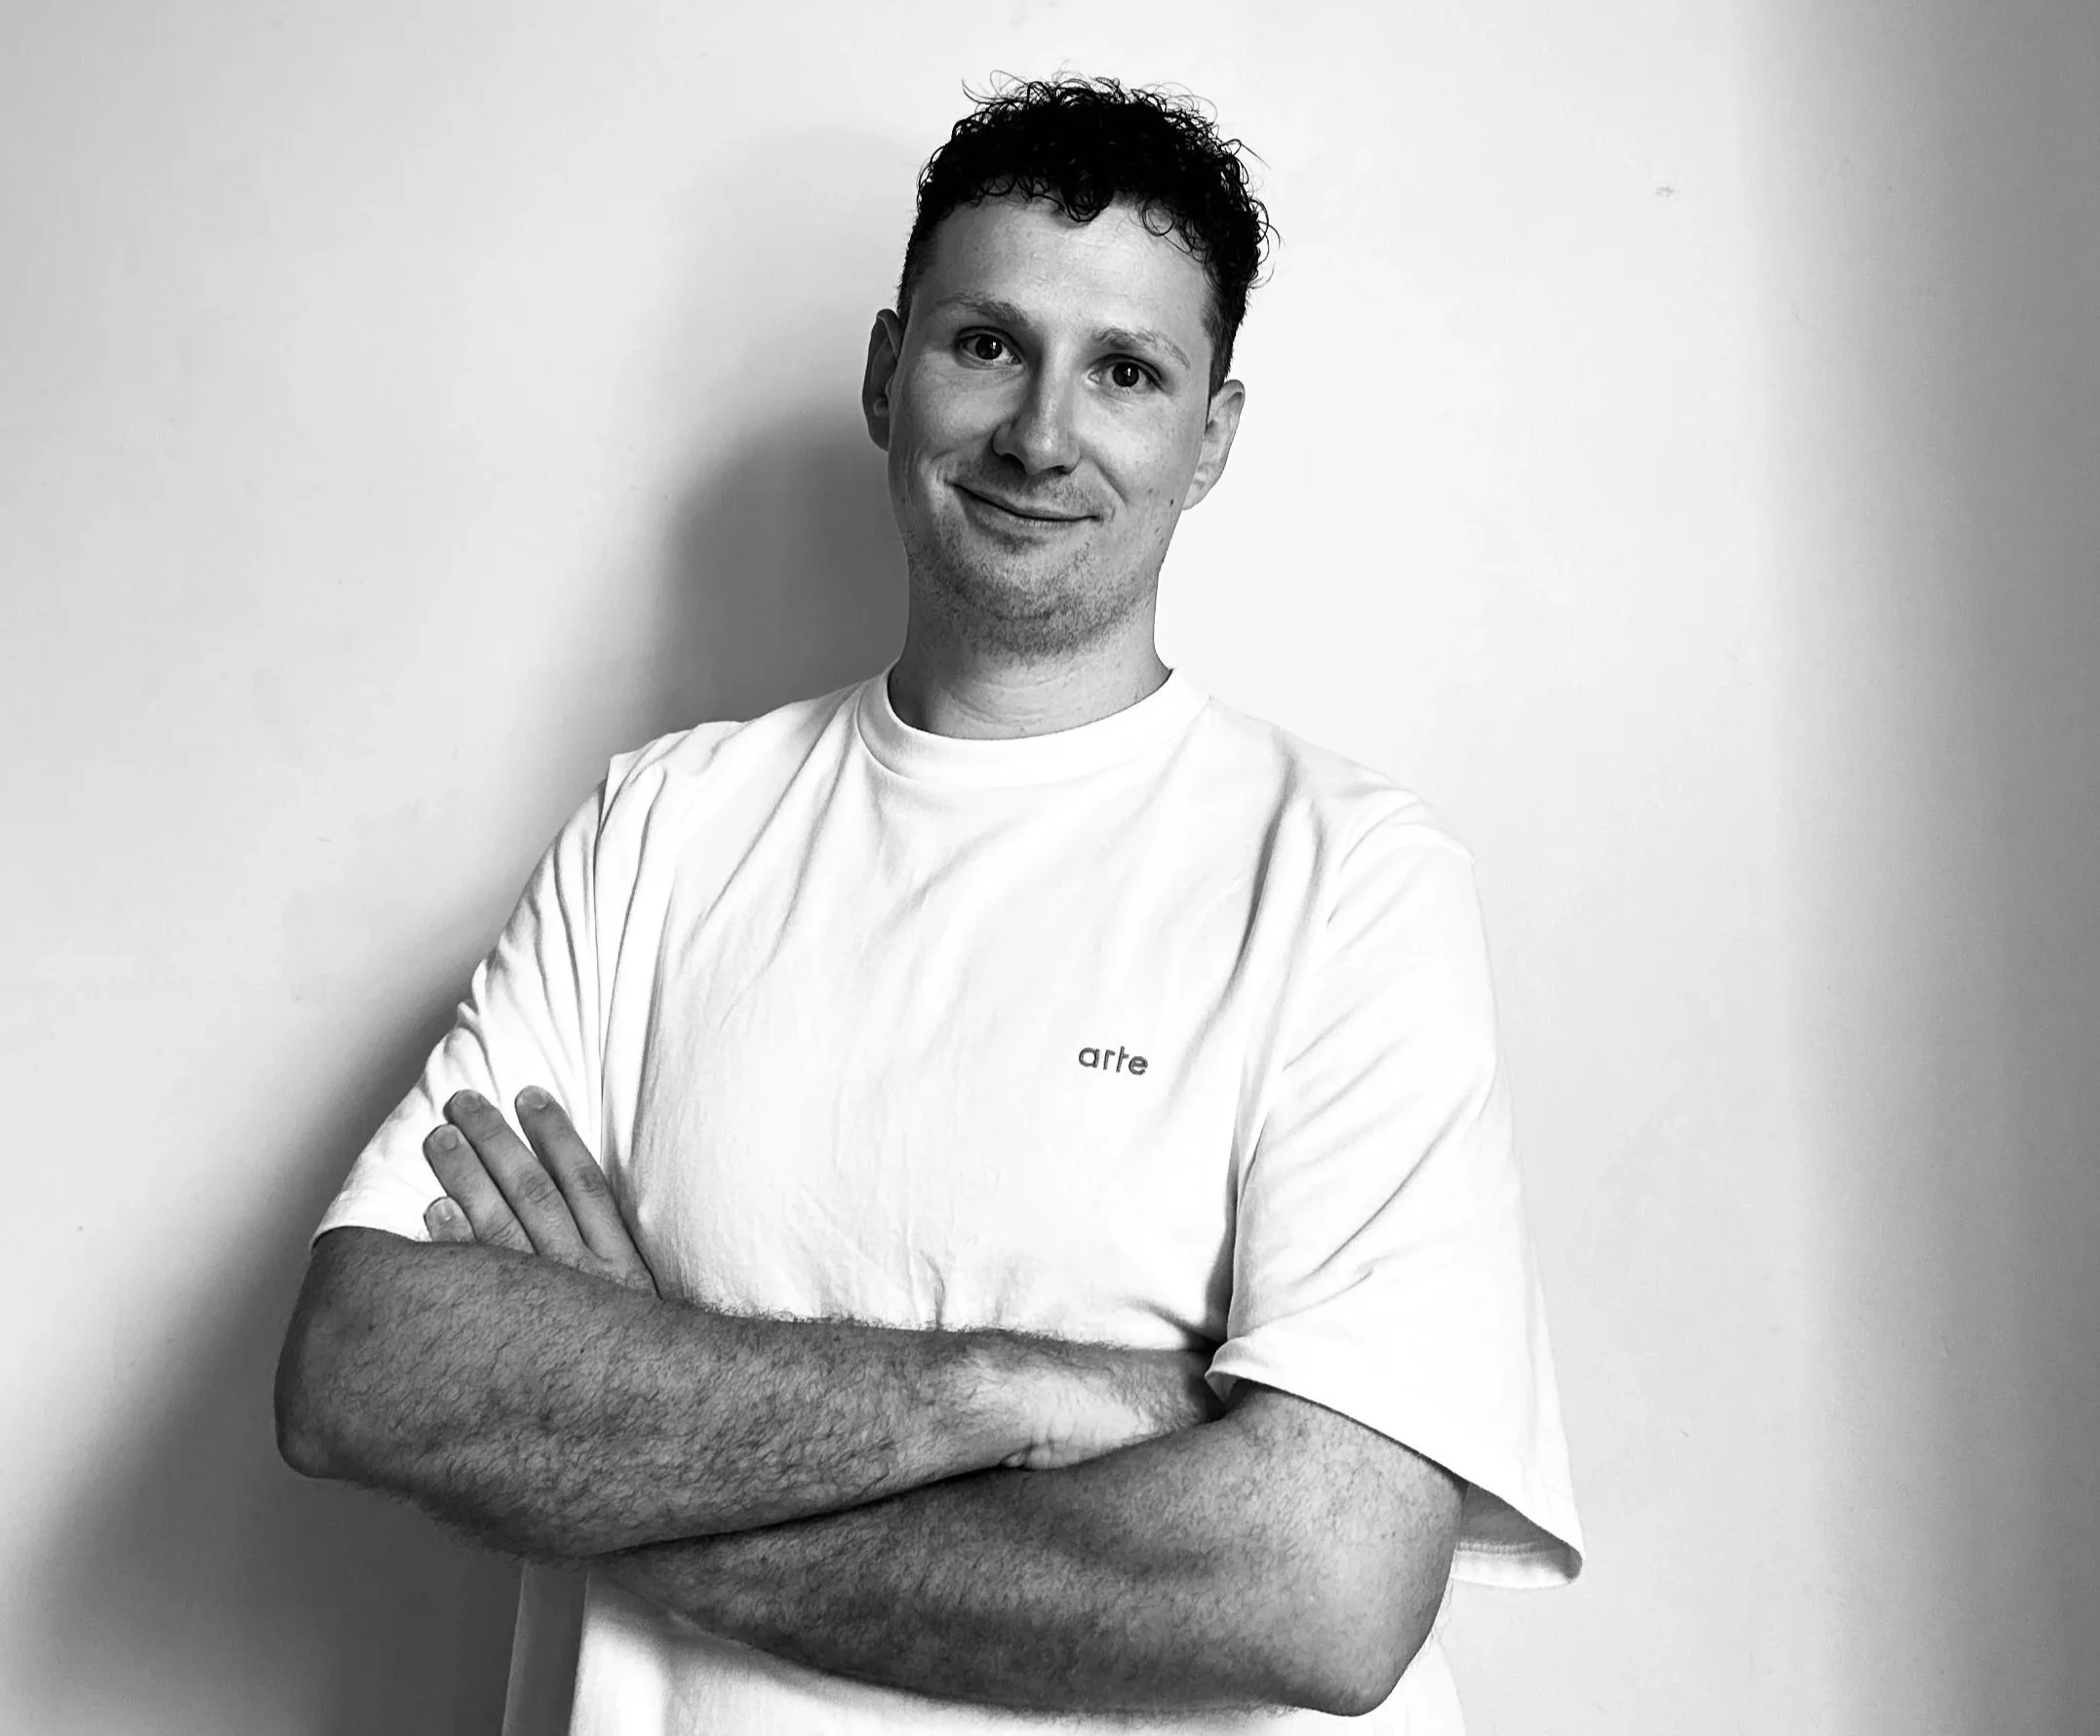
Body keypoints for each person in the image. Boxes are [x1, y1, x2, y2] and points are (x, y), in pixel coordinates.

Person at [273, 74, 1583, 1735]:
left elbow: (1322, 1588)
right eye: (987, 345)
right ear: (889, 371)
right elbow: (367, 1371)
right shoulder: (663, 828)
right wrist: (1015, 1392)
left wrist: (621, 1465)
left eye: (1125, 370)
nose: (1042, 432)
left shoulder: (1344, 877)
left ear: (1213, 437)